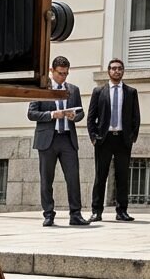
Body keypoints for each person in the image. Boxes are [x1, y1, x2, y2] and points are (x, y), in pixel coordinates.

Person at [28, 56, 89, 227]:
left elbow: (81, 113)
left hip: (67, 139)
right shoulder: (41, 88)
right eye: (60, 73)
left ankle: (75, 214)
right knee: (46, 179)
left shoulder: (73, 90)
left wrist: (74, 116)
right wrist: (52, 115)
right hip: (48, 139)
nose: (63, 77)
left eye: (66, 74)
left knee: (73, 178)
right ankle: (48, 214)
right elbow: (31, 113)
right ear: (51, 70)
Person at [87, 58, 140, 222]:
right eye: (114, 68)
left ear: (123, 71)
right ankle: (96, 211)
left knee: (122, 176)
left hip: (123, 140)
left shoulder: (131, 92)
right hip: (104, 139)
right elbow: (91, 117)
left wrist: (132, 137)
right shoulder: (99, 92)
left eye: (120, 68)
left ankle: (122, 211)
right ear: (109, 71)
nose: (117, 71)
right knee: (100, 176)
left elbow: (135, 117)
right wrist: (94, 137)